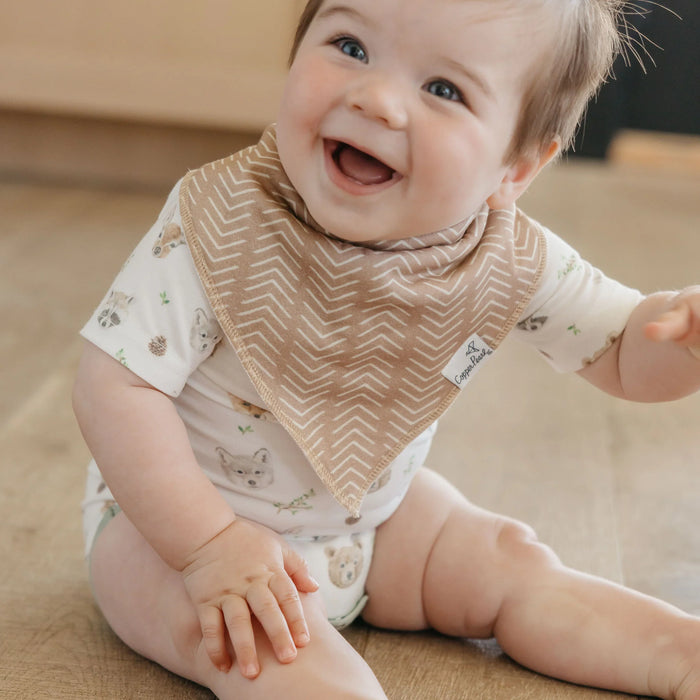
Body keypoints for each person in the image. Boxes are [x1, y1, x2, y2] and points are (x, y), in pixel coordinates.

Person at [73, 1, 700, 698]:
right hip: (177, 531)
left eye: (443, 90)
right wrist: (205, 546)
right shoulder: (219, 222)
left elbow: (618, 353)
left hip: (374, 520)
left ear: (516, 168)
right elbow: (115, 385)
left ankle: (677, 652)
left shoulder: (502, 254)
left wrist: (683, 340)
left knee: (509, 559)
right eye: (349, 45)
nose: (374, 99)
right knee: (268, 646)